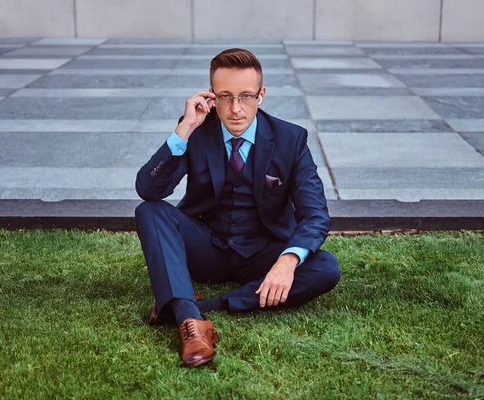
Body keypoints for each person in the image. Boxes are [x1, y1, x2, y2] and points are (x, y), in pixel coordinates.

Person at [135, 48, 340, 368]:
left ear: (261, 95)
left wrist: (287, 260)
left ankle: (200, 307)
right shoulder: (196, 130)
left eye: (245, 96)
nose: (235, 109)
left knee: (325, 267)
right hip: (206, 248)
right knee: (150, 211)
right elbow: (148, 190)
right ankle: (191, 321)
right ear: (211, 96)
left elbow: (315, 214)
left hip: (262, 254)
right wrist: (184, 130)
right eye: (225, 96)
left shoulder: (290, 140)